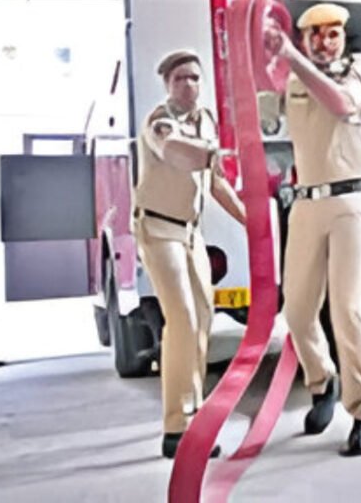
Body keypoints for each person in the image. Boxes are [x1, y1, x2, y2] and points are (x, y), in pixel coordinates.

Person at [263, 2, 361, 456]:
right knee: (296, 312)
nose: (324, 43)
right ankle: (321, 380)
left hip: (351, 201)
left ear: (343, 38)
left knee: (347, 310)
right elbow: (257, 104)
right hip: (306, 202)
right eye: (315, 35)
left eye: (332, 35)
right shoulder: (291, 78)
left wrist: (292, 56)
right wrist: (265, 46)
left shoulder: (359, 71)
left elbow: (341, 103)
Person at [133, 50, 246, 459]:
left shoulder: (206, 121)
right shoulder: (158, 121)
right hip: (158, 227)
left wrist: (250, 220)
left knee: (201, 319)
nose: (189, 85)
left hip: (191, 231)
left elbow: (216, 183)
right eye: (180, 78)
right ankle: (177, 428)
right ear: (166, 83)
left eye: (195, 78)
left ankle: (194, 414)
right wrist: (223, 154)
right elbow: (177, 153)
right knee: (180, 317)